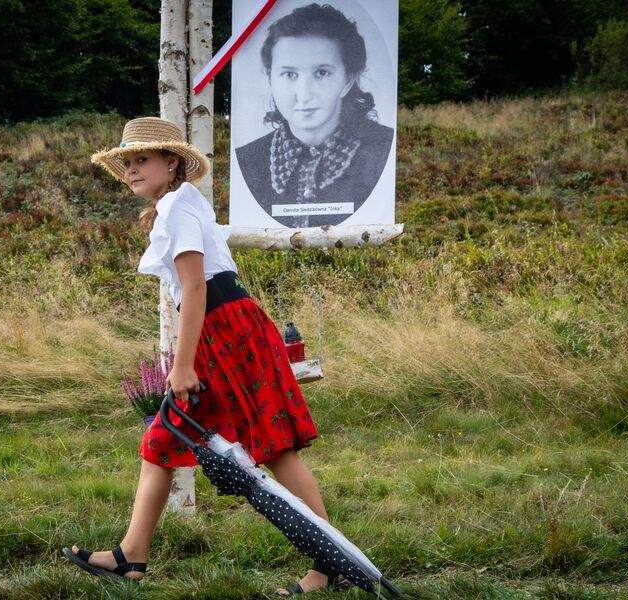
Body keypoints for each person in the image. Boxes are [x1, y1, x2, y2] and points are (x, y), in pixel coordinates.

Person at [62, 117, 347, 596]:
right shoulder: (177, 205)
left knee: (274, 449)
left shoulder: (177, 208)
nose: (131, 169)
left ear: (171, 162)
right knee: (163, 438)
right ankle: (132, 553)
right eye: (126, 162)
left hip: (227, 333)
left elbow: (196, 288)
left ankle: (330, 562)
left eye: (142, 160)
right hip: (223, 329)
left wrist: (182, 364)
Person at [236, 3, 394, 228]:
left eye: (321, 73)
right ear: (270, 78)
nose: (304, 94)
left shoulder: (384, 148)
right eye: (289, 74)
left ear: (348, 80)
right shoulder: (247, 159)